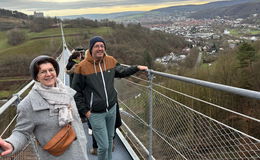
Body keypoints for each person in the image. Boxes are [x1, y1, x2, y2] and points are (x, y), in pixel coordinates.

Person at [72, 36, 148, 160]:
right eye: (97, 46)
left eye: (102, 46)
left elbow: (122, 71)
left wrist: (137, 68)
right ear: (91, 49)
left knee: (109, 141)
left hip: (112, 109)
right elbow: (75, 92)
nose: (100, 48)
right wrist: (85, 111)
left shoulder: (110, 61)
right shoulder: (82, 67)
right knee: (103, 146)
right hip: (95, 113)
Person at [0, 55, 88, 160]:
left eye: (51, 70)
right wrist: (11, 144)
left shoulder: (65, 92)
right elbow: (22, 132)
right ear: (36, 77)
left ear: (56, 72)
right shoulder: (28, 104)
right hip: (56, 156)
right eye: (43, 72)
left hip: (79, 151)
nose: (48, 74)